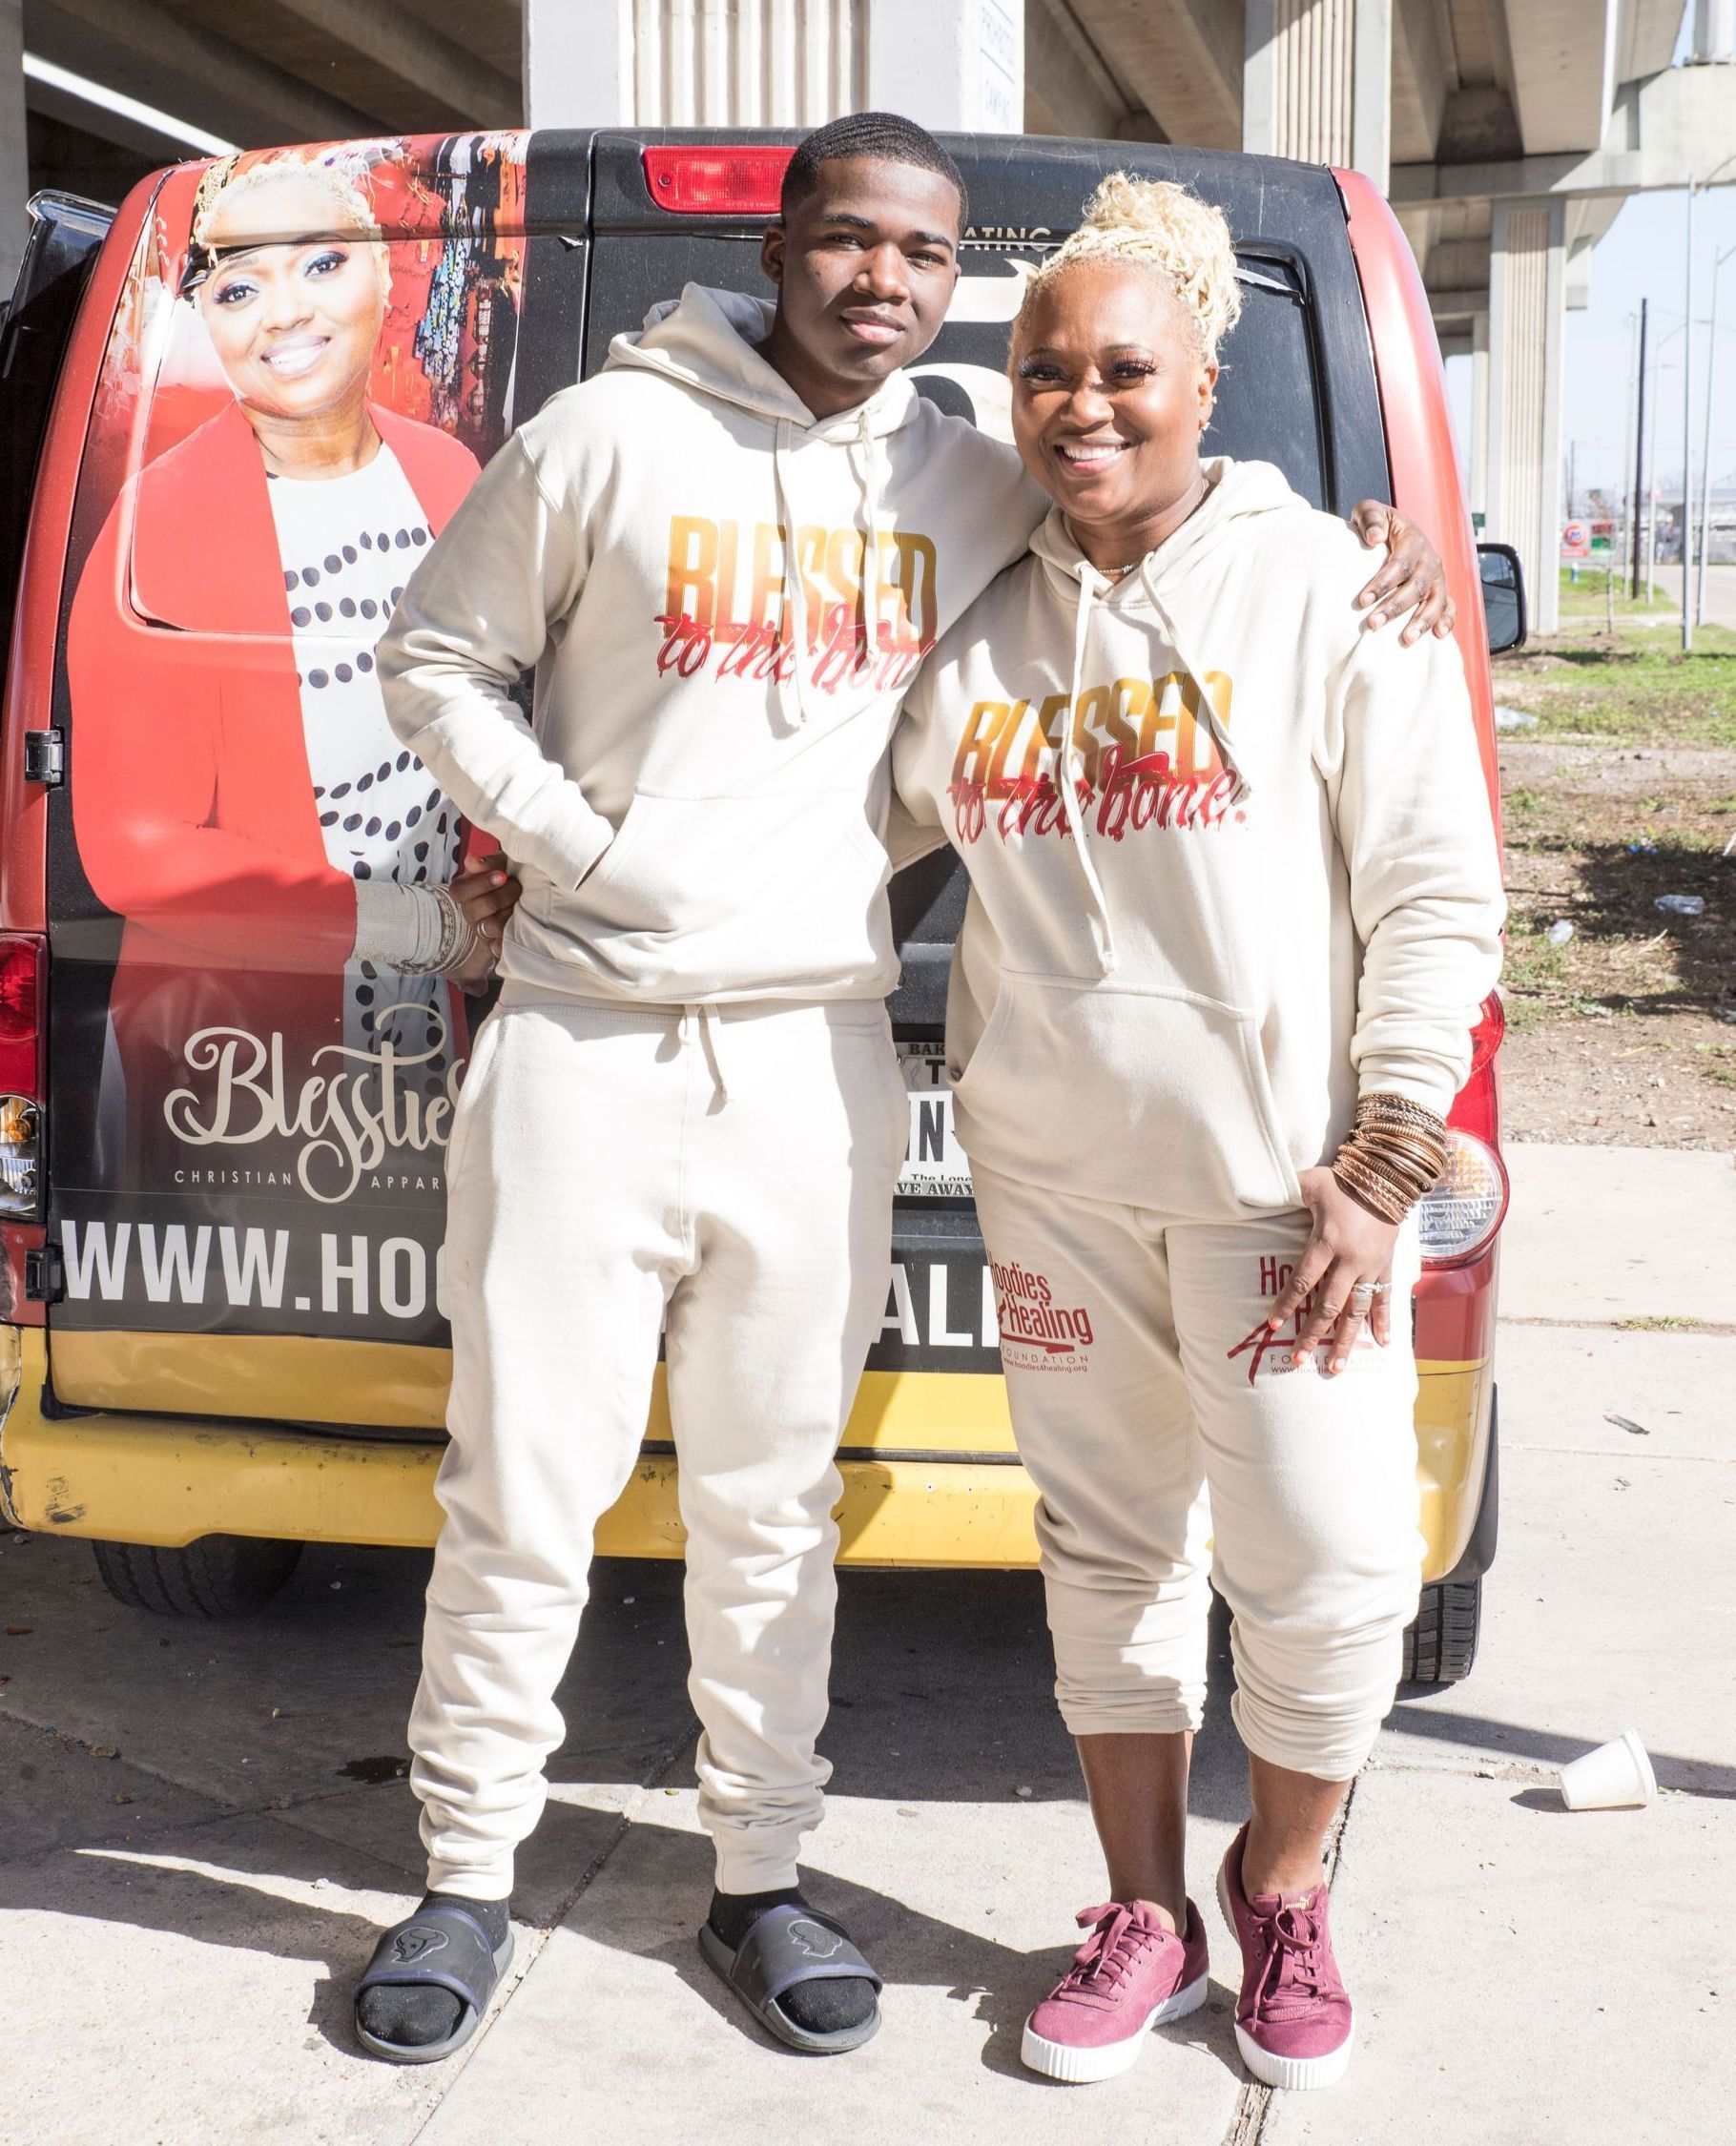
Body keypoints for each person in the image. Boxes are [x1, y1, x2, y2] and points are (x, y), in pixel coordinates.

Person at [363, 113, 1454, 2064]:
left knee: (803, 1510)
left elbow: (1202, 551)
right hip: (613, 1046)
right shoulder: (670, 454)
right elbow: (439, 658)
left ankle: (794, 1879)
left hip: (873, 1069)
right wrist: (581, 850)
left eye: (923, 255)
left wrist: (1374, 558)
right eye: (849, 239)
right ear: (783, 246)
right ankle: (464, 1875)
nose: (884, 280)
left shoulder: (1054, 506)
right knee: (523, 1495)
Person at [892, 174, 1505, 2092]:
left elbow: (1433, 889)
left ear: (1208, 376)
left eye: (1124, 369)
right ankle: (1140, 1907)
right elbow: (797, 824)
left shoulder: (1332, 580)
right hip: (1059, 1184)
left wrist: (1391, 1157)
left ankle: (1287, 1884)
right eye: (1045, 370)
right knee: (1106, 1555)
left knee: (1326, 1563)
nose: (1083, 404)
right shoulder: (976, 635)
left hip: (1287, 1199)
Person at [69, 152, 516, 1159]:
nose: (283, 314)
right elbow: (136, 851)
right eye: (237, 287)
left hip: (446, 1038)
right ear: (207, 322)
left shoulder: (446, 472)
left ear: (383, 276)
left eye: (319, 266)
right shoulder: (162, 522)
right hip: (241, 1074)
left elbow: (501, 702)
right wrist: (433, 930)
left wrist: (495, 905)